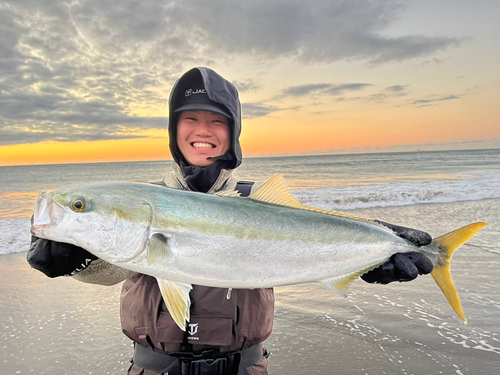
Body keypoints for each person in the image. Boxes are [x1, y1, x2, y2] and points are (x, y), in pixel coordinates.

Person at [27, 67, 433, 375]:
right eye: (190, 119)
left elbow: (310, 241)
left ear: (232, 132)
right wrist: (73, 260)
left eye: (217, 120)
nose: (203, 130)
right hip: (154, 368)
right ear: (174, 129)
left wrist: (371, 249)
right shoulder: (143, 203)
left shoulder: (258, 202)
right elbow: (112, 269)